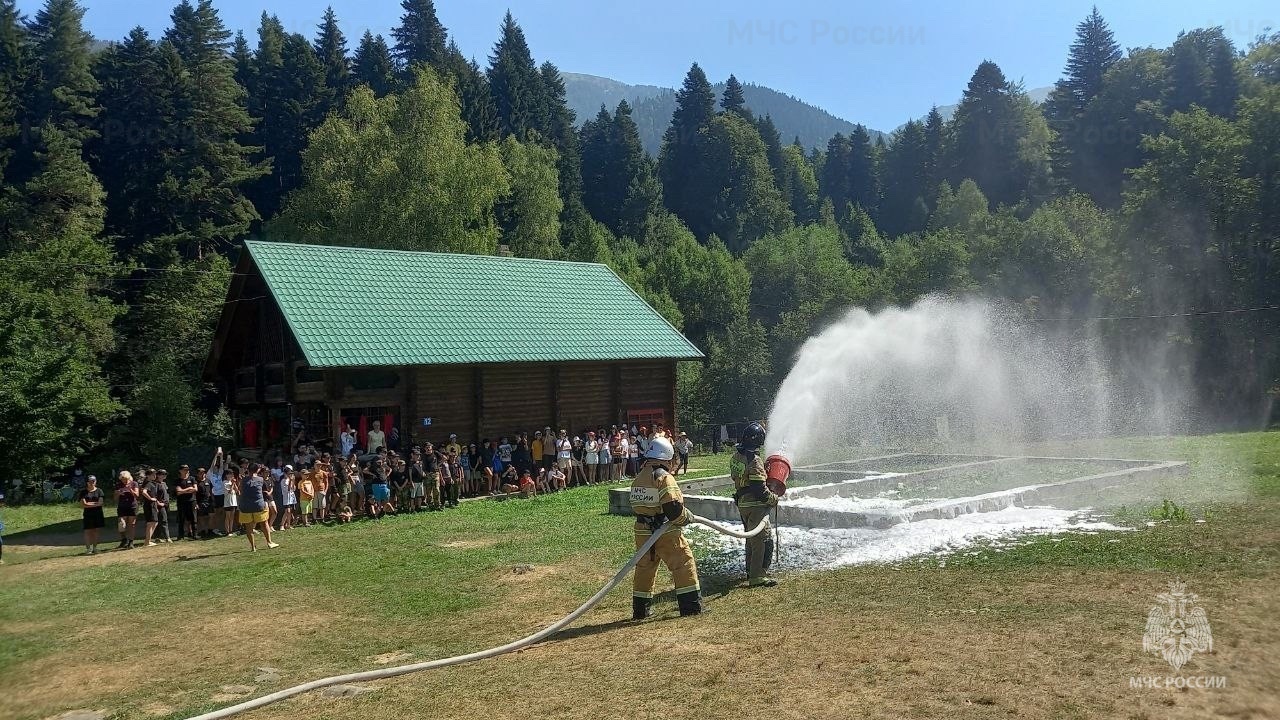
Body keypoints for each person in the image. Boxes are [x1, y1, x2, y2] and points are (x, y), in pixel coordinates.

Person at [629, 434, 703, 618]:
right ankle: (690, 607)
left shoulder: (639, 477)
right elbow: (673, 509)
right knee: (683, 563)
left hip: (643, 531)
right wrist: (686, 517)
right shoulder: (663, 477)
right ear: (666, 457)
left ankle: (641, 610)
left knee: (645, 568)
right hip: (665, 531)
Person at [731, 421, 778, 588]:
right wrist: (772, 499)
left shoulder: (736, 457)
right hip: (755, 505)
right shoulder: (754, 460)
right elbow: (758, 488)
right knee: (762, 540)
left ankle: (751, 570)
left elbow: (740, 478)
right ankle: (757, 576)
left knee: (750, 539)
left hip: (742, 504)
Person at [238, 464, 279, 551]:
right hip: (259, 505)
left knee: (249, 527)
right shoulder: (260, 479)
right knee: (264, 524)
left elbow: (240, 489)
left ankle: (253, 547)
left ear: (248, 470)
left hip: (245, 507)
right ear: (257, 470)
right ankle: (269, 543)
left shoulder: (243, 480)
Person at [79, 475, 105, 554]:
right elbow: (83, 504)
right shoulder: (83, 492)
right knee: (88, 531)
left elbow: (101, 503)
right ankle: (88, 549)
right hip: (87, 514)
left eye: (93, 481)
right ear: (87, 483)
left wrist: (89, 504)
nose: (92, 483)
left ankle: (95, 548)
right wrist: (95, 504)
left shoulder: (99, 491)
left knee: (96, 531)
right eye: (90, 482)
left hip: (98, 514)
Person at [114, 471, 139, 549]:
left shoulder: (134, 483)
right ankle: (124, 539)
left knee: (131, 525)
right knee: (121, 524)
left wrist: (130, 490)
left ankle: (131, 542)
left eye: (124, 479)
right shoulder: (118, 485)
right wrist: (118, 493)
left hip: (132, 506)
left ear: (128, 478)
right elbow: (114, 498)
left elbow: (137, 495)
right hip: (122, 506)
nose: (123, 480)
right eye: (122, 479)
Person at [174, 465, 198, 540]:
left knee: (193, 519)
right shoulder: (177, 480)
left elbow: (195, 489)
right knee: (181, 519)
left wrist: (183, 491)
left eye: (187, 469)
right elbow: (178, 492)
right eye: (184, 469)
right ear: (180, 471)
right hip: (181, 502)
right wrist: (189, 488)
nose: (186, 471)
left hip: (192, 501)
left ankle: (195, 534)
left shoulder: (192, 478)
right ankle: (180, 535)